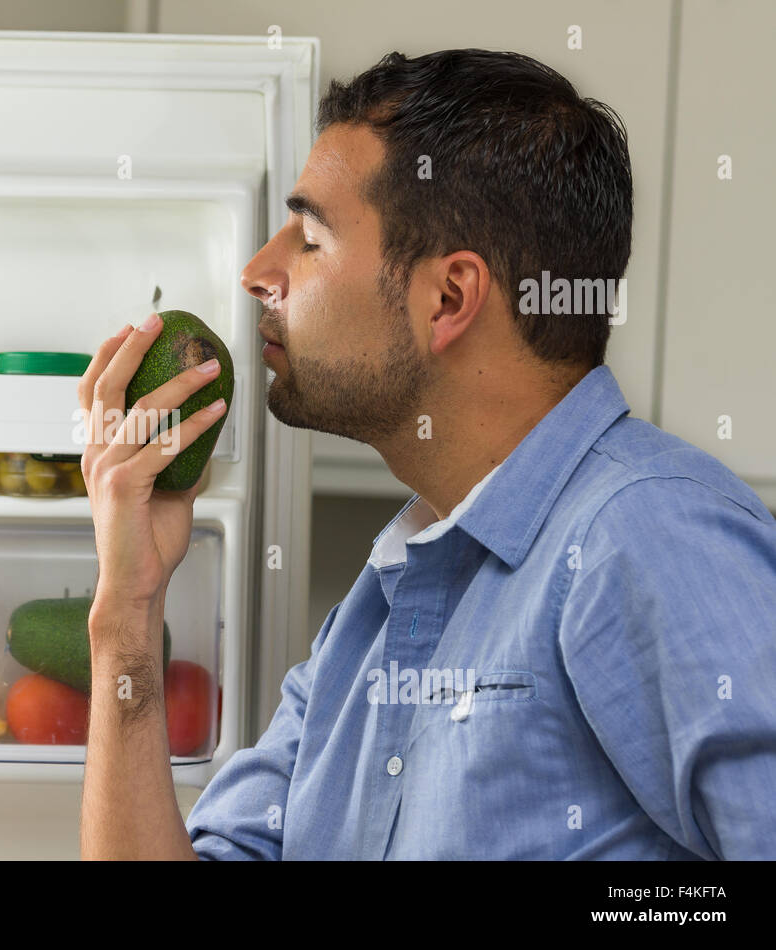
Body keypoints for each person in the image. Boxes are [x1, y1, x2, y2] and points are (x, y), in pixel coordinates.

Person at [76, 48, 776, 860]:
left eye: (308, 237)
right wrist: (128, 609)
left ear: (448, 298)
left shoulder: (649, 535)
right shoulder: (375, 617)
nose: (257, 273)